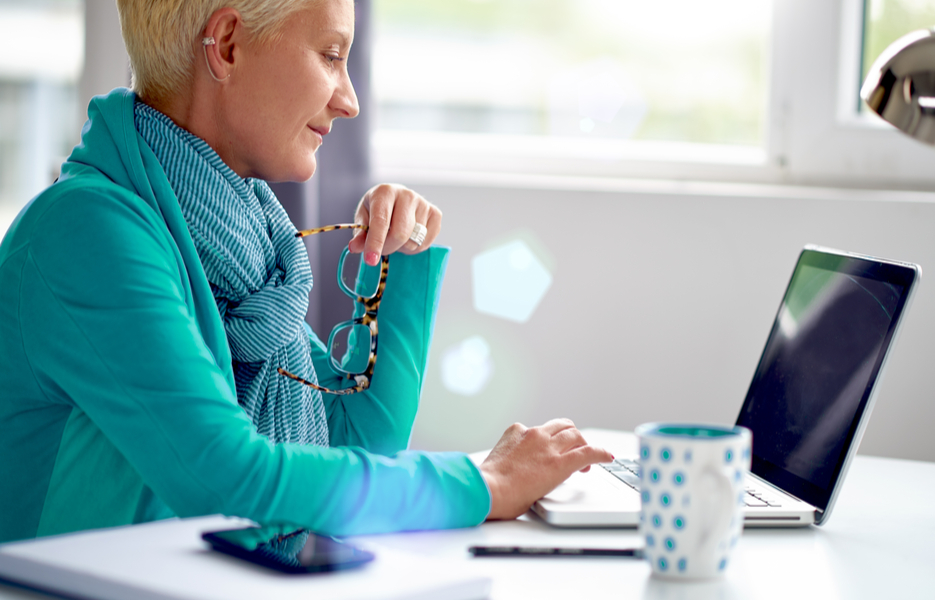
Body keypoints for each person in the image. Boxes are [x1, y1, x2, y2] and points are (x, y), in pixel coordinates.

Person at [0, 0, 612, 543]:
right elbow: (228, 478)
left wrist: (399, 260)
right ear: (229, 45)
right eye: (330, 55)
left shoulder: (245, 236)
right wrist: (482, 483)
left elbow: (352, 440)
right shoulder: (89, 232)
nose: (347, 99)